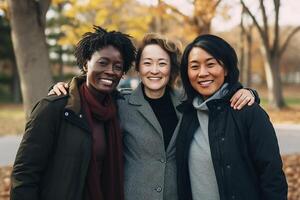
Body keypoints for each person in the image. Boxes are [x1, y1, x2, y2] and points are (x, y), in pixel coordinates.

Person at [49, 33, 257, 200]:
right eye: (147, 63)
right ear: (138, 68)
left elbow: (217, 94)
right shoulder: (120, 103)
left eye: (162, 63)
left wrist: (249, 92)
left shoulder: (189, 103)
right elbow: (88, 96)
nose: (154, 70)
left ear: (171, 68)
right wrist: (65, 88)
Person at [10, 26, 136, 200]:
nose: (110, 71)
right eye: (103, 62)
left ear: (122, 73)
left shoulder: (120, 110)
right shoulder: (54, 108)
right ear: (86, 63)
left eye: (118, 66)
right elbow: (24, 174)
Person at [176, 34, 287, 200]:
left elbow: (272, 177)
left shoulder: (248, 111)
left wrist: (251, 93)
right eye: (194, 66)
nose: (202, 73)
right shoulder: (186, 114)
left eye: (211, 64)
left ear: (226, 69)